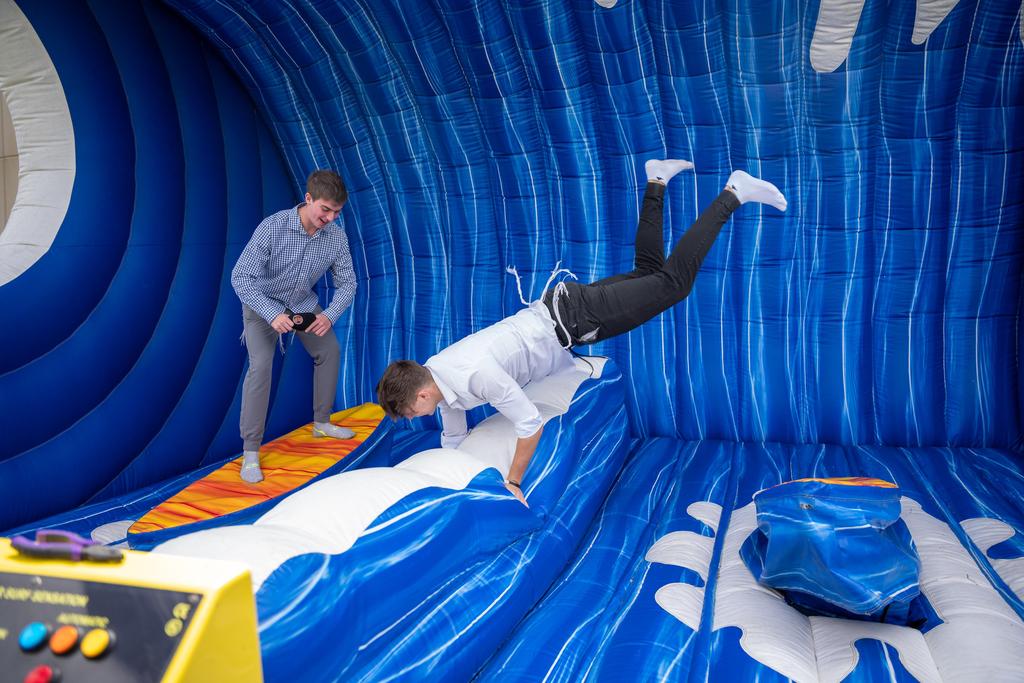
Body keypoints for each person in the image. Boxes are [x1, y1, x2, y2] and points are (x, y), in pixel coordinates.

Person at [376, 160, 787, 505]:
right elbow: (453, 438)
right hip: (567, 313)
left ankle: (734, 192)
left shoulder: (475, 375)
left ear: (421, 395)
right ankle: (657, 180)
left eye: (410, 411)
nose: (413, 418)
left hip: (577, 316)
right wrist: (445, 480)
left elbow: (529, 425)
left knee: (673, 285)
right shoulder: (440, 377)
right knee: (649, 271)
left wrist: (512, 482)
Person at [231, 170, 358, 483]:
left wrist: (329, 315)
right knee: (261, 367)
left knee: (329, 350)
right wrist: (271, 313)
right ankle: (250, 452)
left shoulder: (336, 237)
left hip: (302, 304)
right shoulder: (273, 227)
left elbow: (348, 284)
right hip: (263, 304)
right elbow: (241, 277)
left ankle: (322, 423)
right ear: (308, 199)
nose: (330, 218)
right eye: (325, 210)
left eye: (337, 212)